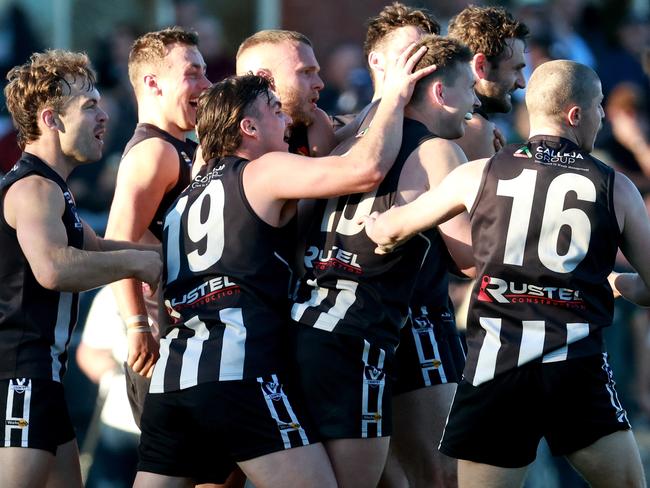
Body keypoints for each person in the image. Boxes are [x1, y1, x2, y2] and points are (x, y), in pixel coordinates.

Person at [133, 45, 434, 488]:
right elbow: (364, 169)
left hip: (173, 380)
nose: (286, 121)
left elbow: (165, 292)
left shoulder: (183, 200)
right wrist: (392, 97)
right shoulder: (263, 170)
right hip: (239, 371)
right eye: (275, 110)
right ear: (248, 127)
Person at [363, 59, 649, 488]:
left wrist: (373, 226)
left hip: (498, 372)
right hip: (575, 370)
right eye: (599, 106)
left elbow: (390, 227)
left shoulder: (477, 174)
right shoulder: (616, 186)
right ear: (575, 115)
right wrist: (624, 285)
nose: (603, 116)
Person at [289, 35, 478, 488]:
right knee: (437, 477)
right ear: (438, 91)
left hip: (306, 324)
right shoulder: (437, 150)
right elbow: (471, 261)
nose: (474, 101)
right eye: (468, 88)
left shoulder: (346, 140)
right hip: (367, 332)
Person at [0, 49, 161, 488]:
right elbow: (53, 268)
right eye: (90, 106)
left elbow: (100, 248)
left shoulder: (55, 190)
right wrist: (141, 263)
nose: (104, 116)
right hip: (17, 374)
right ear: (52, 119)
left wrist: (165, 259)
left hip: (43, 377)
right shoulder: (34, 187)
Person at [104, 27, 211, 421]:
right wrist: (137, 326)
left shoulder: (185, 147)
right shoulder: (154, 151)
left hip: (196, 344)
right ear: (153, 83)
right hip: (165, 348)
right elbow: (117, 243)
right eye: (192, 73)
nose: (207, 83)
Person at [447, 5, 528, 160]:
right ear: (481, 66)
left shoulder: (434, 116)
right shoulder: (476, 129)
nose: (522, 83)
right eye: (516, 69)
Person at [235, 29, 334, 157]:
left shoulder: (314, 123)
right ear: (264, 80)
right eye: (306, 72)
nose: (320, 84)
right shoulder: (221, 136)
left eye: (316, 73)